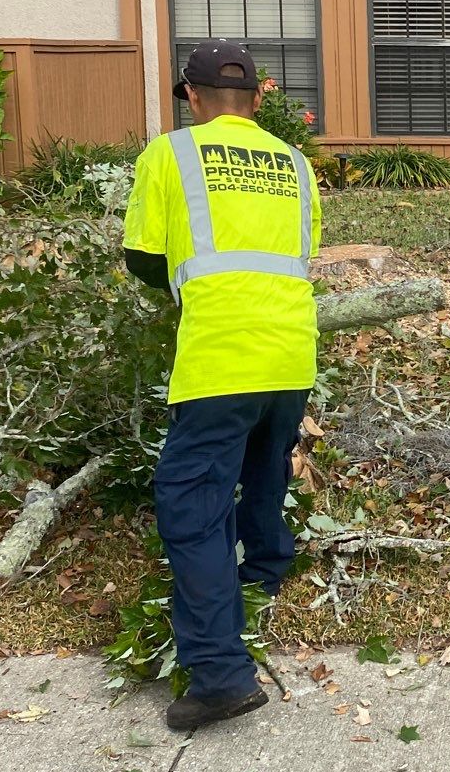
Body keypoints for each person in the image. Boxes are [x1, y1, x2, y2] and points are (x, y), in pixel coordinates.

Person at [122, 40, 321, 732]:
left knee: (191, 503)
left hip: (218, 356)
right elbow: (300, 254)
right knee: (265, 469)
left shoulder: (170, 153)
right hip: (292, 349)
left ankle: (219, 673)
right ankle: (263, 573)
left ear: (191, 97)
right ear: (259, 101)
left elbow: (143, 259)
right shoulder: (295, 162)